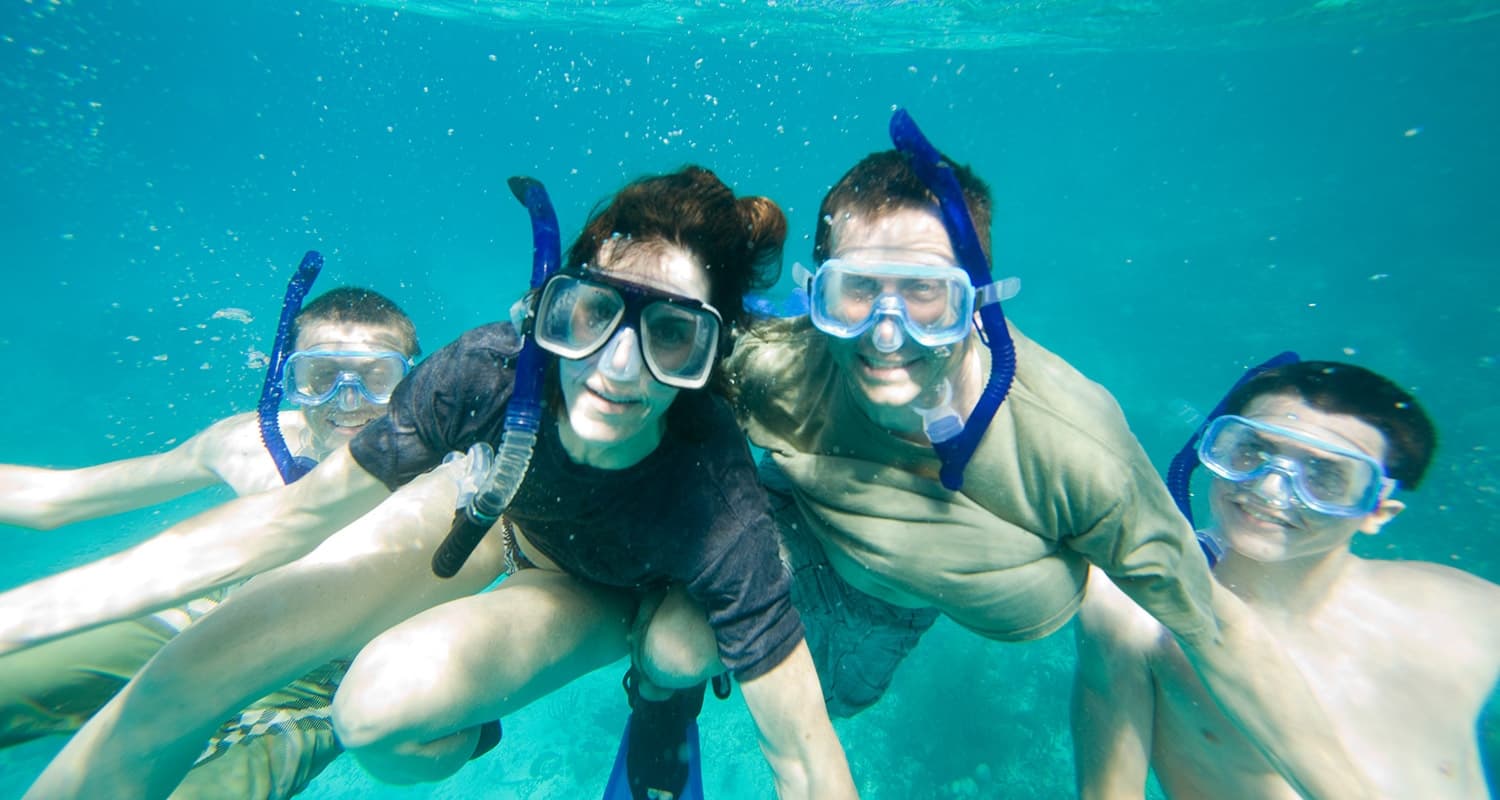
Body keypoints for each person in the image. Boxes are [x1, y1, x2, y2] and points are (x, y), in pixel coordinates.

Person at [20, 167, 857, 800]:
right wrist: (25, 615)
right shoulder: (489, 373)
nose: (618, 366)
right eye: (594, 315)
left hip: (606, 588)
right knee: (191, 666)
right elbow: (281, 524)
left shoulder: (716, 506)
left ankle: (661, 695)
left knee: (375, 715)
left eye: (673, 336)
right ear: (552, 309)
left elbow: (803, 752)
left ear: (708, 358)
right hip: (496, 505)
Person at [639, 111, 1373, 797]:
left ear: (980, 299)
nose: (886, 336)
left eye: (928, 296)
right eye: (855, 292)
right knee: (672, 649)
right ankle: (661, 701)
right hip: (796, 526)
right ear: (817, 293)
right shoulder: (784, 368)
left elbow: (1218, 630)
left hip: (890, 609)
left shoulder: (1076, 448)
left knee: (844, 700)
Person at [0, 286, 419, 798]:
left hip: (315, 687)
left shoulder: (444, 474)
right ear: (287, 378)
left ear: (413, 380)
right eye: (321, 377)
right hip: (196, 625)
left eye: (377, 378)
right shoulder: (248, 444)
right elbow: (58, 499)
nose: (348, 400)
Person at [1071, 360, 1500, 799]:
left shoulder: (1471, 612)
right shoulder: (1134, 613)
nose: (1269, 489)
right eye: (1250, 451)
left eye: (1325, 476)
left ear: (1378, 511)